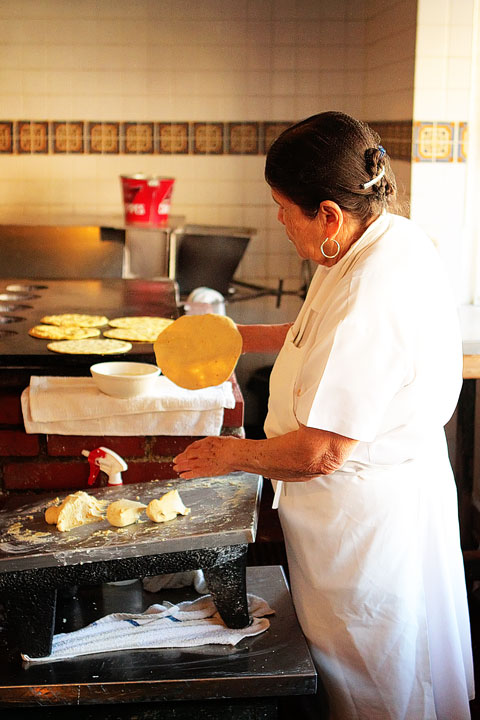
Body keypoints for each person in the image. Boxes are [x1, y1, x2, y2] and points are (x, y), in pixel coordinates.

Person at [173, 111, 474, 720]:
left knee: (380, 681)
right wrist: (223, 336)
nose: (281, 220)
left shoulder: (376, 287)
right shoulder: (377, 240)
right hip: (348, 518)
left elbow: (321, 452)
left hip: (366, 529)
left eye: (284, 208)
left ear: (329, 215)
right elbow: (313, 334)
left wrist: (228, 454)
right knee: (359, 674)